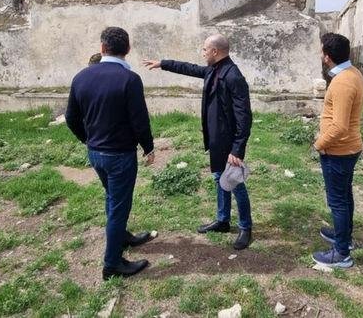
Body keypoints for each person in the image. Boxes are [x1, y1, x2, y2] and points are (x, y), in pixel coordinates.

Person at [142, 34, 254, 250]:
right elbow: (190, 68)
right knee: (219, 178)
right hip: (216, 140)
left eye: (204, 49)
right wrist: (163, 64)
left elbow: (244, 117)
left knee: (235, 183)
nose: (202, 53)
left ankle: (245, 227)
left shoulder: (233, 76)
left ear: (215, 52)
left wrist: (237, 149)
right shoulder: (213, 69)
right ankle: (222, 221)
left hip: (229, 143)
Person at [66, 26, 155, 280]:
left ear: (103, 48)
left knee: (112, 198)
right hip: (120, 156)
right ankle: (112, 264)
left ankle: (122, 237)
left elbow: (71, 117)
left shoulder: (81, 77)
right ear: (128, 49)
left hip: (96, 153)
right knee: (119, 206)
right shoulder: (130, 79)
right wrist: (148, 147)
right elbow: (139, 120)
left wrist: (88, 139)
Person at [312, 33, 363, 269]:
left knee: (338, 201)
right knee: (344, 196)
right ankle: (343, 236)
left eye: (322, 51)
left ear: (327, 57)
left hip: (339, 151)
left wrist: (319, 144)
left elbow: (340, 126)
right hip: (346, 149)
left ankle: (342, 254)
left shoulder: (343, 82)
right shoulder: (352, 73)